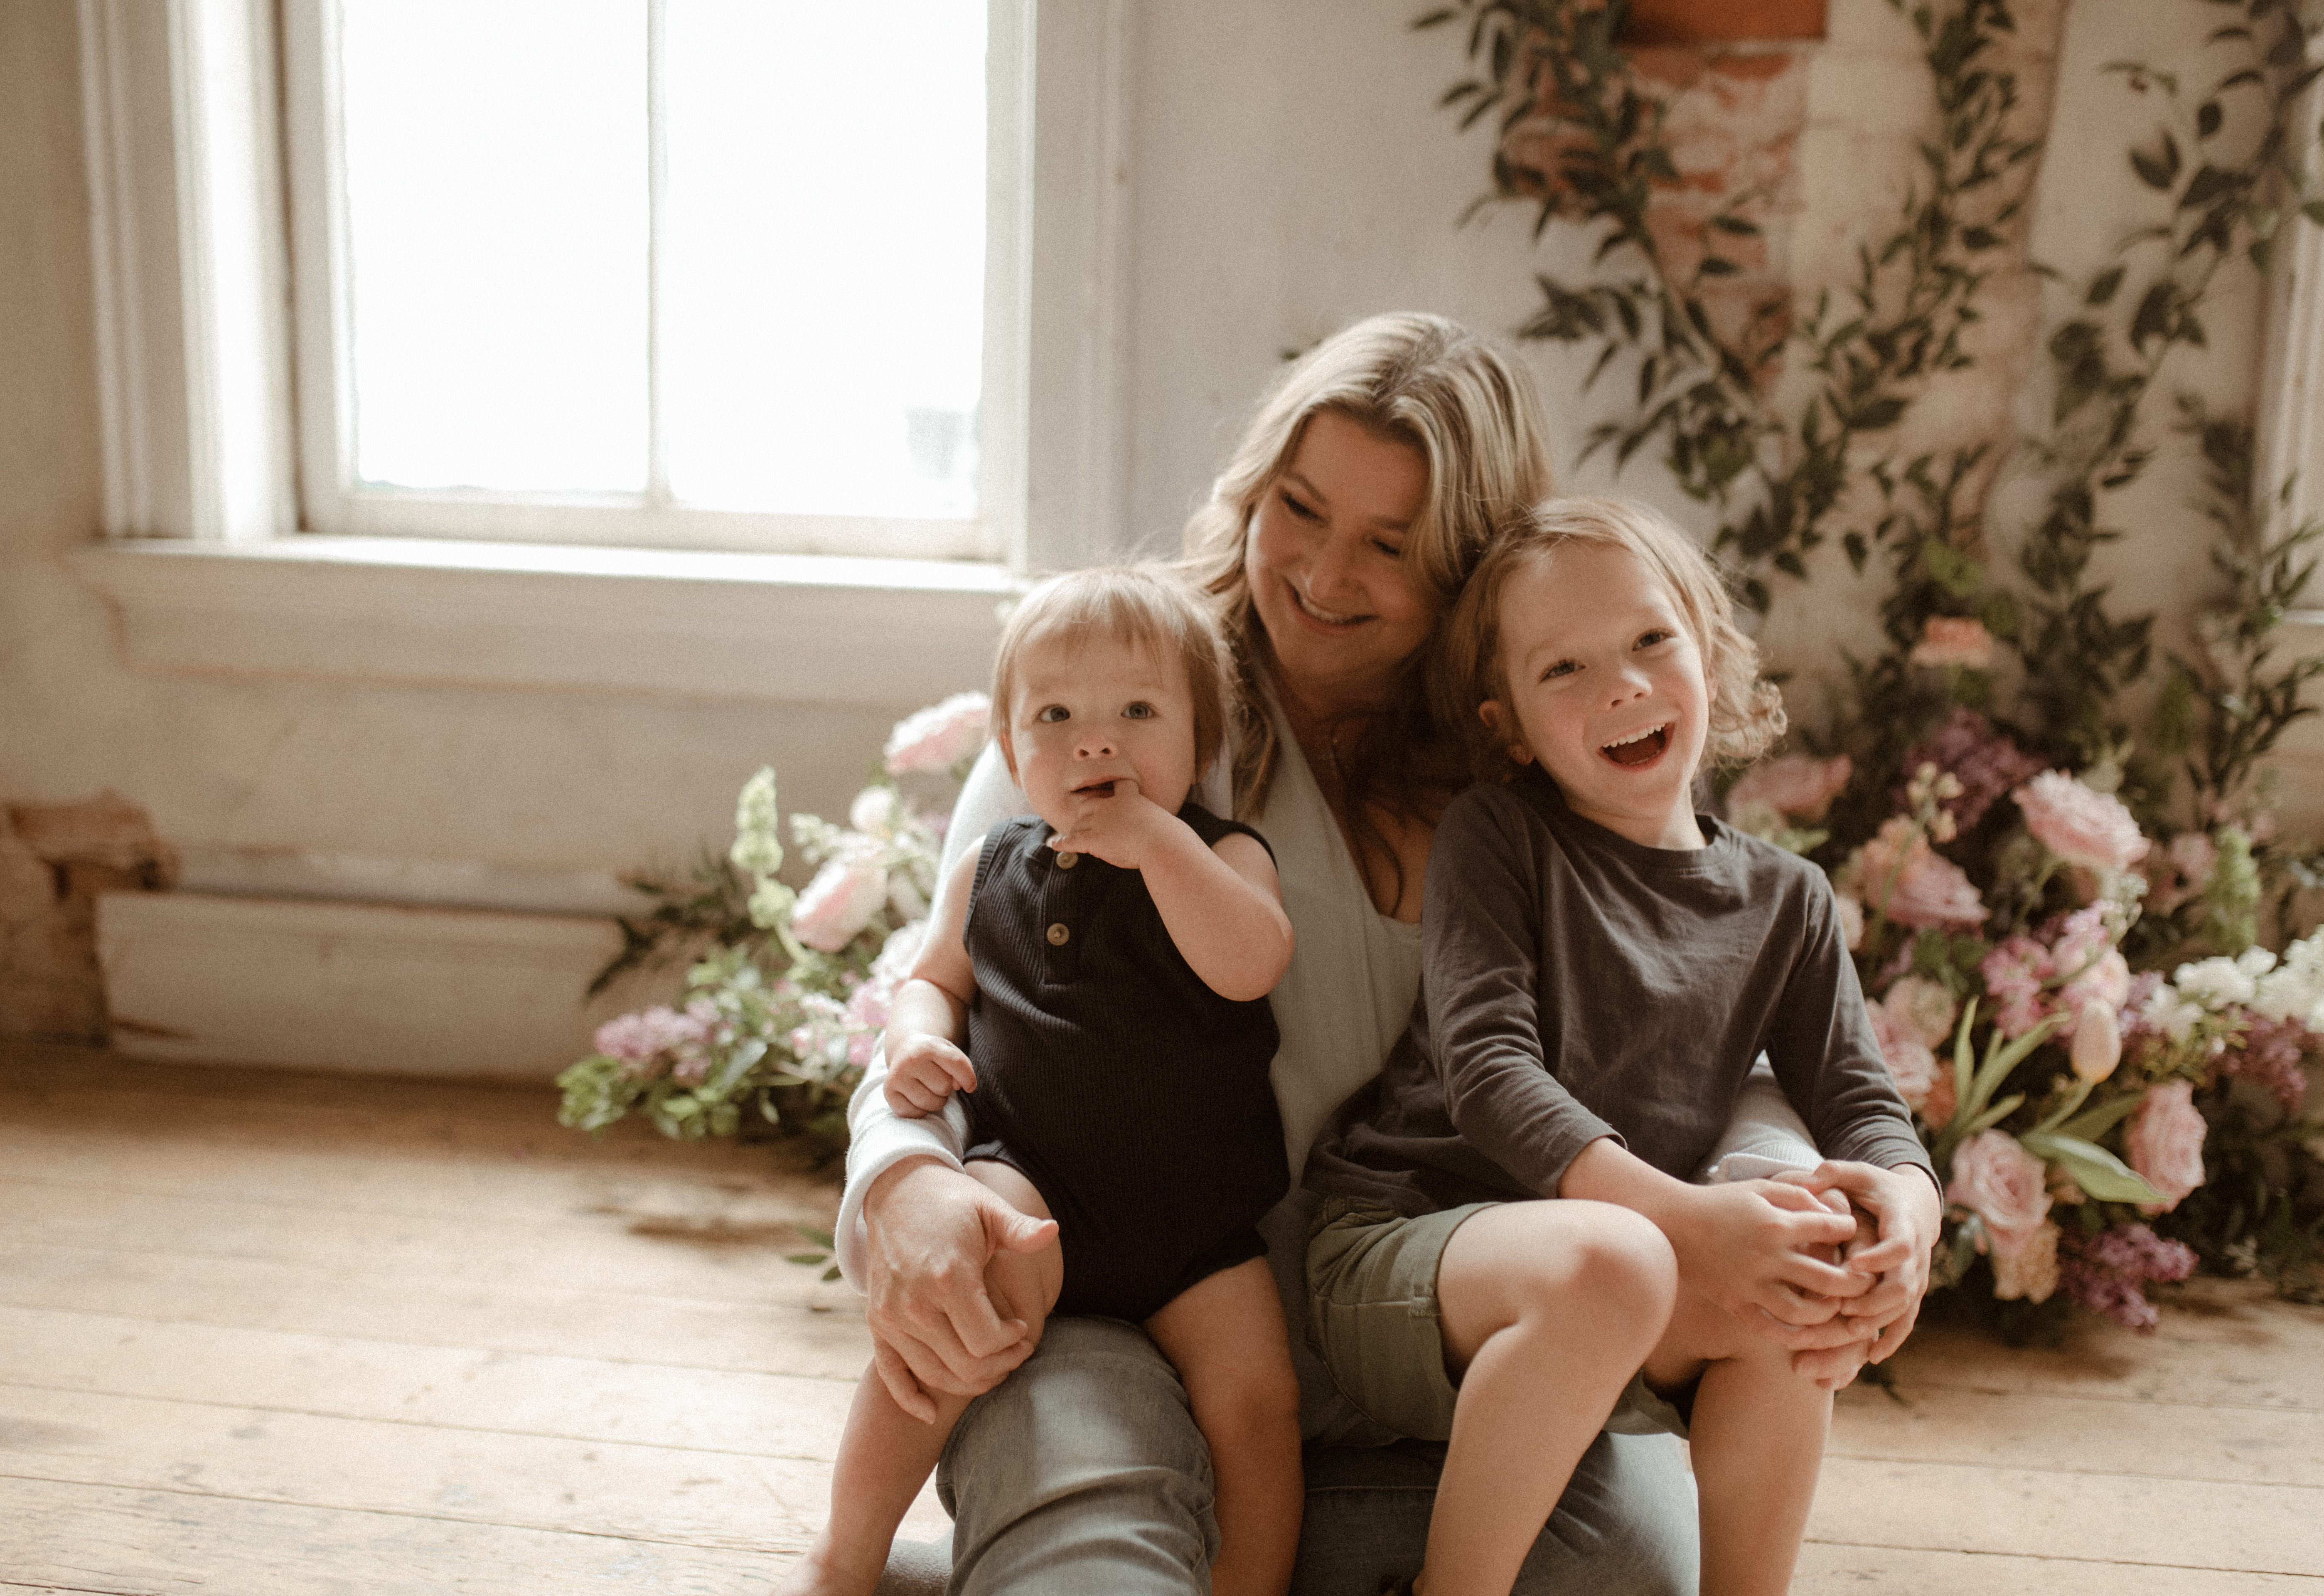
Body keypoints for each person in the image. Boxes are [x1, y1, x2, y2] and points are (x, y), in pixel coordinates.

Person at [825, 314, 1894, 1596]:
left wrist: (1772, 1197)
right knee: (1101, 1557)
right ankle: (1084, 1533)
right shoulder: (1128, 696)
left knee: (1627, 1571)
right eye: (1301, 508)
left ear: (1471, 573)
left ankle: (1120, 1550)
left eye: (1391, 547)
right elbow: (949, 970)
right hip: (1119, 1307)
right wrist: (904, 1185)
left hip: (1434, 1336)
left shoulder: (1545, 751)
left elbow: (1730, 1015)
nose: (1326, 573)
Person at [1303, 498, 1943, 1596]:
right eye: (1566, 669)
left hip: (1611, 1292)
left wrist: (1912, 1224)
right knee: (1621, 1258)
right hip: (1408, 1251)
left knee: (1802, 1273)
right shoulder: (1500, 837)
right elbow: (1491, 1075)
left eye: (1653, 640)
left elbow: (1862, 1099)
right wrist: (1689, 1221)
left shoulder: (1785, 899)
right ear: (1507, 726)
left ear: (1705, 642)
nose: (1623, 685)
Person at [782, 567, 1301, 1596]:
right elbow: (933, 978)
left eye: (1137, 713)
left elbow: (1252, 961)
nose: (1094, 741)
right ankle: (843, 1554)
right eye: (1056, 715)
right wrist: (913, 1040)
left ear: (1200, 747)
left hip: (1198, 1221)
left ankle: (1251, 1584)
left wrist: (1158, 843)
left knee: (1261, 1405)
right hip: (1035, 1184)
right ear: (1013, 751)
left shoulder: (1224, 854)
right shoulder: (989, 868)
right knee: (947, 1332)